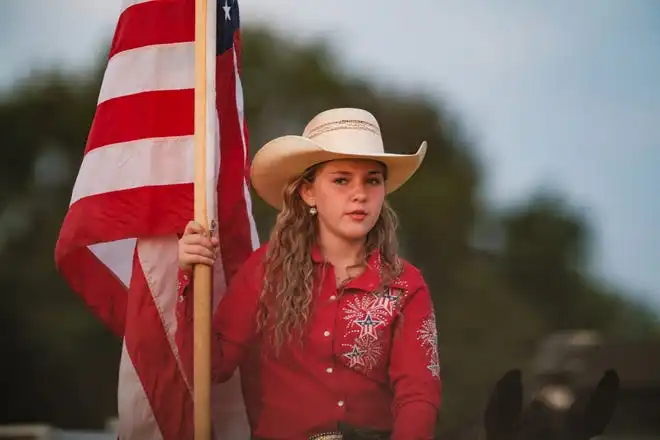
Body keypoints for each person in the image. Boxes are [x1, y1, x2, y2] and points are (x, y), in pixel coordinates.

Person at [175, 108, 441, 440]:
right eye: (341, 179)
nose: (360, 193)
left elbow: (418, 394)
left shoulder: (406, 285)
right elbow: (211, 365)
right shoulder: (266, 270)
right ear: (308, 191)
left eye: (372, 180)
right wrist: (189, 277)